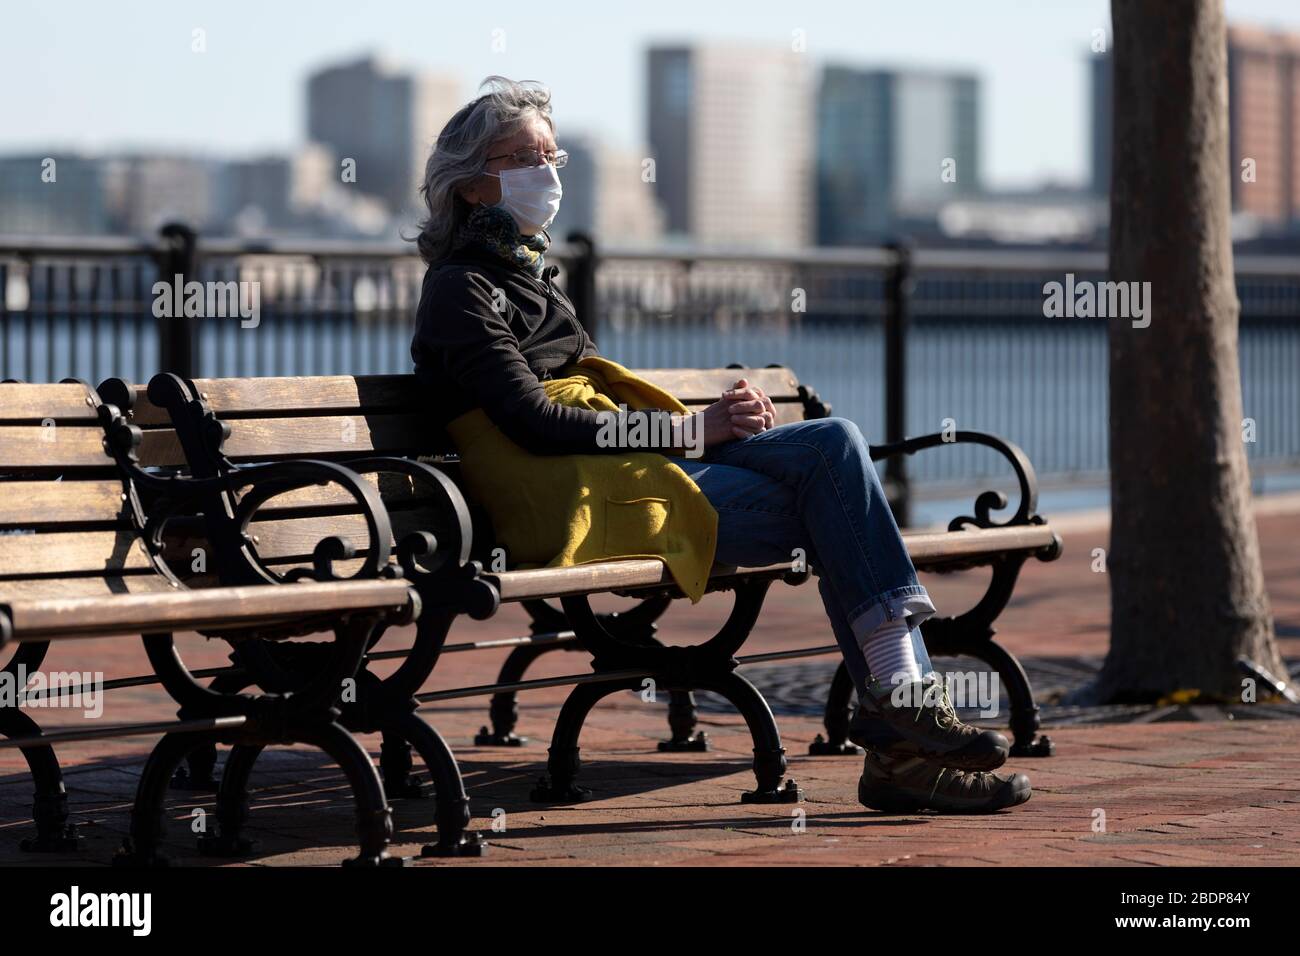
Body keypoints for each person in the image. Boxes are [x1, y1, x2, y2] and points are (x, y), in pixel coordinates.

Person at [411, 76, 1031, 814]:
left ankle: (899, 709)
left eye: (552, 155)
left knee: (834, 443)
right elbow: (534, 423)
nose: (545, 173)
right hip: (568, 499)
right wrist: (687, 430)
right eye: (523, 156)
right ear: (472, 184)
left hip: (617, 472)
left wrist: (713, 423)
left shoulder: (531, 278)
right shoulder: (461, 291)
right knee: (835, 507)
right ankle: (901, 734)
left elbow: (581, 412)